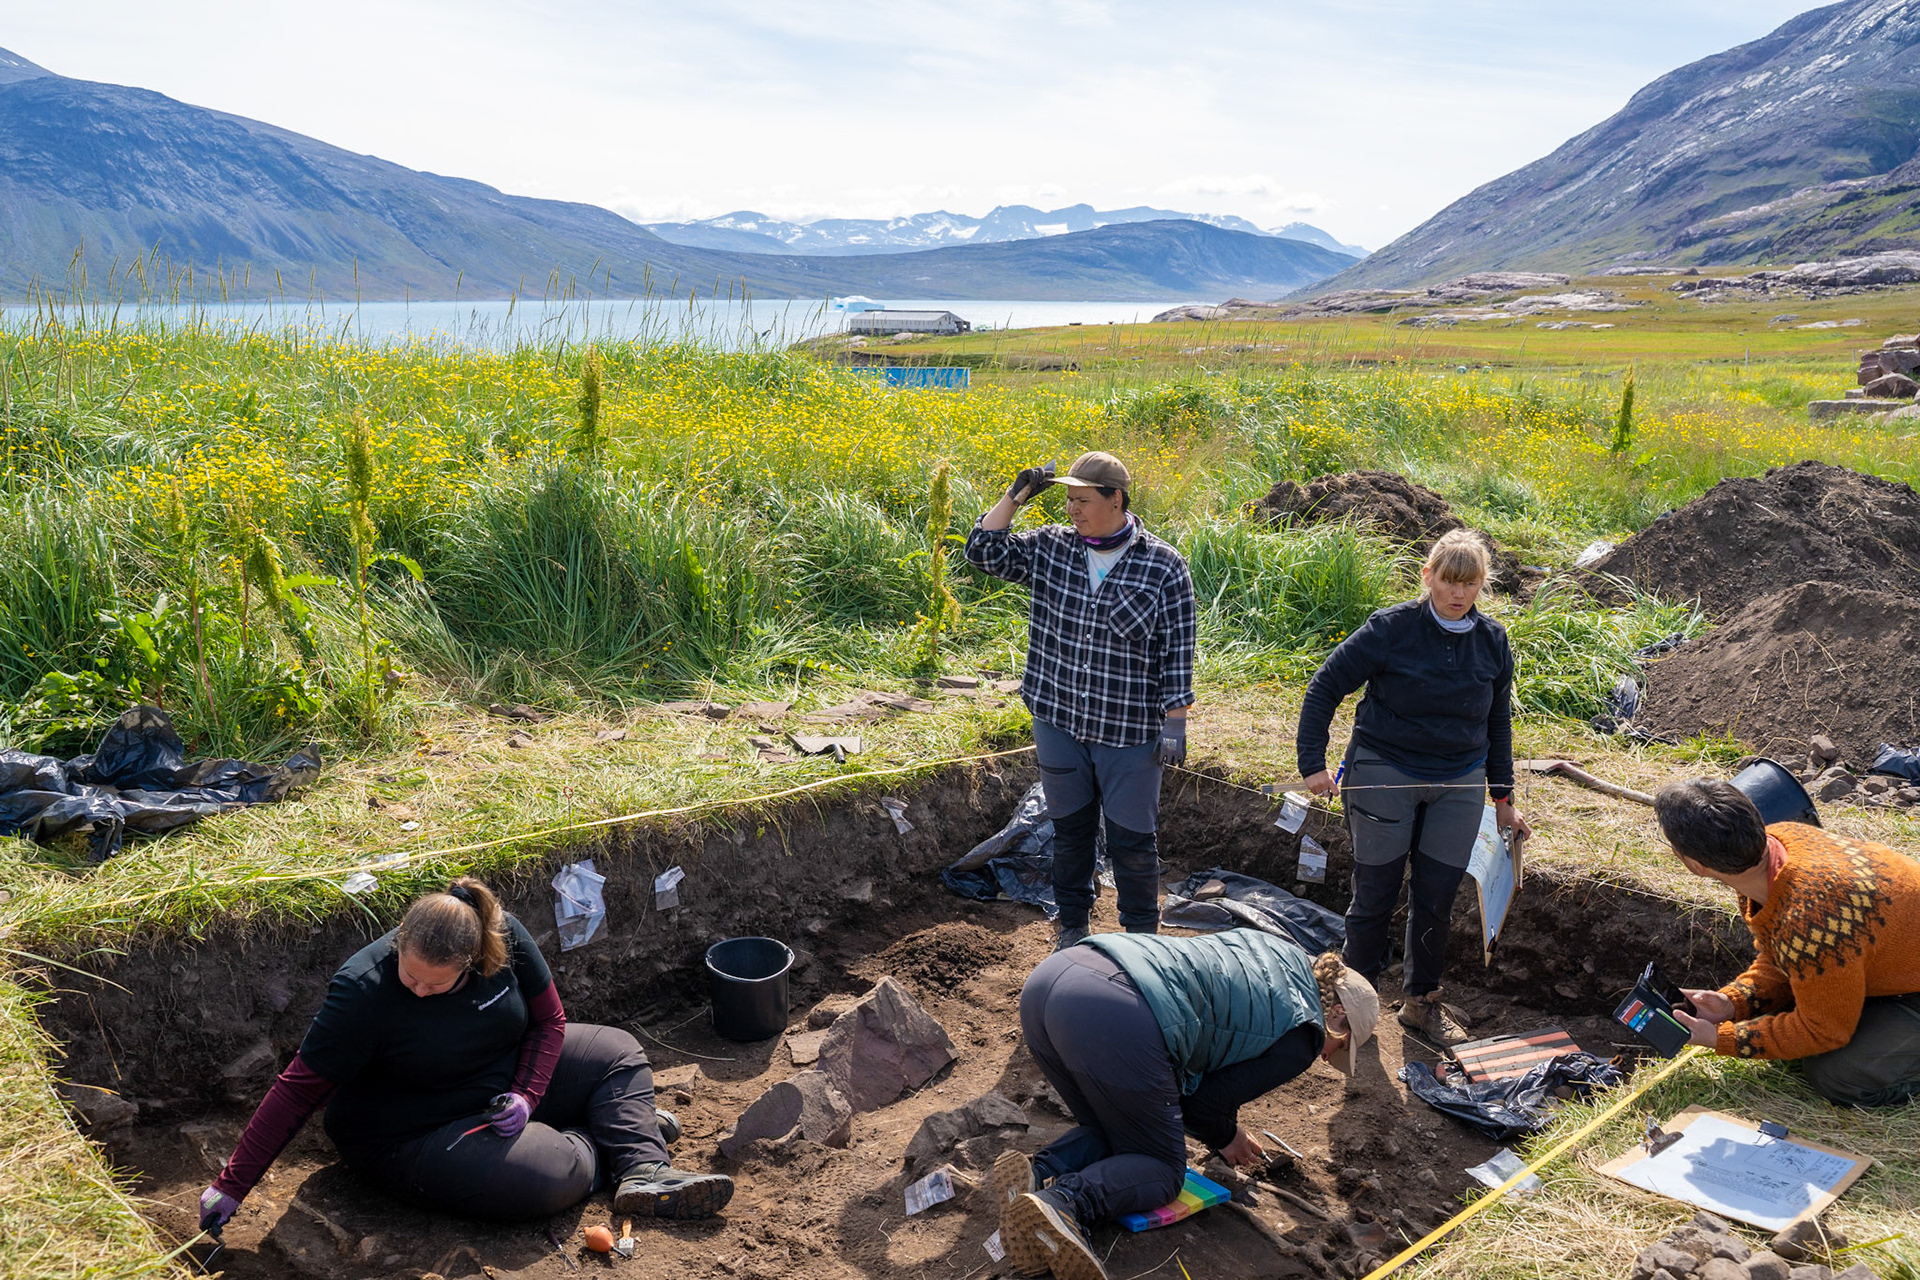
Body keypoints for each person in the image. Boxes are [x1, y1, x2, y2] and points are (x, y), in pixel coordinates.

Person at [197, 877, 732, 1237]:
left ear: (473, 960)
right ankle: (610, 1136)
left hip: (501, 1083)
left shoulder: (502, 938)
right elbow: (298, 1089)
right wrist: (232, 1184)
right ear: (399, 944)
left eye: (436, 984)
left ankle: (642, 1170)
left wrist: (526, 1095)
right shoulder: (362, 991)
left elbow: (550, 1022)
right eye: (410, 977)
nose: (419, 991)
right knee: (546, 1179)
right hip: (416, 1131)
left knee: (615, 1050)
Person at [993, 930, 1379, 1280]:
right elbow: (1199, 1106)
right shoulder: (1304, 1036)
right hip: (1115, 1014)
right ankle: (1064, 1203)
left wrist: (1222, 1124)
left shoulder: (1283, 953)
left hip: (1053, 981)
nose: (1328, 1059)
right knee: (1163, 1169)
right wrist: (1227, 1136)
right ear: (1338, 1015)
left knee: (1123, 1124)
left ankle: (1039, 1171)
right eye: (1341, 1047)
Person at [1294, 529, 1530, 1045]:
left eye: (1470, 584)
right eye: (1449, 580)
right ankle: (1351, 1005)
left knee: (1436, 898)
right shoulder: (1391, 629)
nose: (1458, 593)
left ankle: (1420, 1002)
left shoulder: (1493, 641)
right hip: (1386, 769)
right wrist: (1313, 762)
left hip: (1458, 780)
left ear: (1482, 585)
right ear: (1429, 576)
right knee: (1375, 894)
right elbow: (1325, 686)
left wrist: (1503, 799)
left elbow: (1497, 722)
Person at [964, 451, 1198, 951]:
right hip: (1059, 718)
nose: (1072, 509)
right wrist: (1017, 495)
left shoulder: (1162, 565)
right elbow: (982, 551)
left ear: (1116, 499)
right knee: (1071, 831)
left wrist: (1175, 720)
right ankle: (1073, 928)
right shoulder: (1052, 548)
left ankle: (1142, 943)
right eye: (1068, 498)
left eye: (1083, 500)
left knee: (1134, 842)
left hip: (1128, 730)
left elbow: (1178, 647)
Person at [1655, 779, 1920, 1107]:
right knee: (1792, 1014)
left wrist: (1719, 1038)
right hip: (1896, 962)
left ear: (1696, 865)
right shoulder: (1778, 843)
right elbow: (1787, 952)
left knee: (1838, 1074)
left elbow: (1825, 1030)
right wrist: (1732, 1003)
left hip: (1912, 988)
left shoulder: (1812, 913)